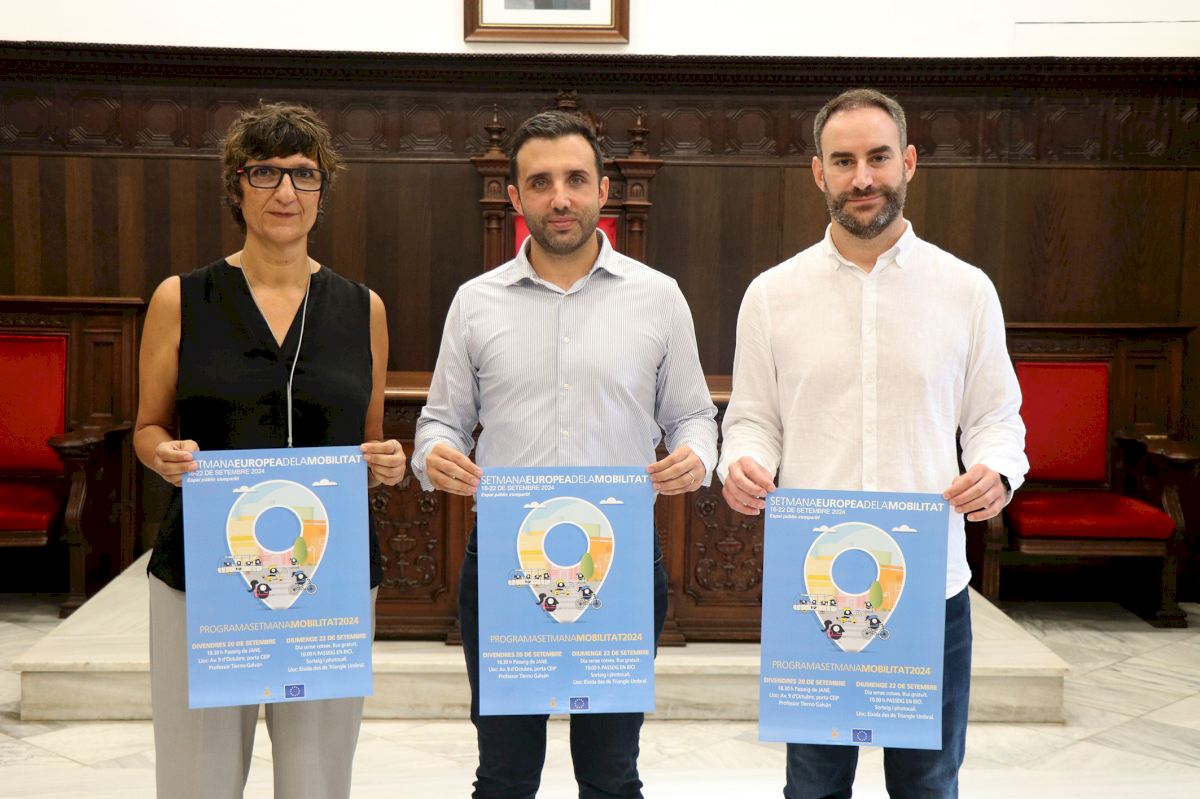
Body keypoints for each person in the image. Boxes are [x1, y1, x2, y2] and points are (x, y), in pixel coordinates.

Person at [717, 88, 1028, 799]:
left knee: (927, 784)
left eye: (879, 158)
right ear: (818, 172)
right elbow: (753, 418)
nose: (863, 178)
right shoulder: (771, 294)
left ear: (909, 162)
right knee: (814, 786)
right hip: (815, 586)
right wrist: (744, 462)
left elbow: (996, 416)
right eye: (844, 161)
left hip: (929, 586)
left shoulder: (966, 290)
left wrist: (996, 469)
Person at [412, 110, 718, 799]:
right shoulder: (475, 302)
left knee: (611, 774)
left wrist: (696, 454)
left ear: (603, 189)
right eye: (540, 182)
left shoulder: (658, 297)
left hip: (620, 563)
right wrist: (435, 455)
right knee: (504, 775)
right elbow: (439, 424)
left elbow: (694, 415)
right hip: (505, 566)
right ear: (514, 197)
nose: (560, 197)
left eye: (576, 179)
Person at [134, 102, 406, 799]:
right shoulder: (182, 297)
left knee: (317, 781)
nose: (286, 191)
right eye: (266, 172)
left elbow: (368, 443)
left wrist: (386, 462)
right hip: (204, 570)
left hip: (327, 574)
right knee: (197, 780)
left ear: (322, 189)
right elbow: (147, 427)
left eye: (304, 174)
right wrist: (162, 454)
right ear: (237, 185)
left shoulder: (364, 308)